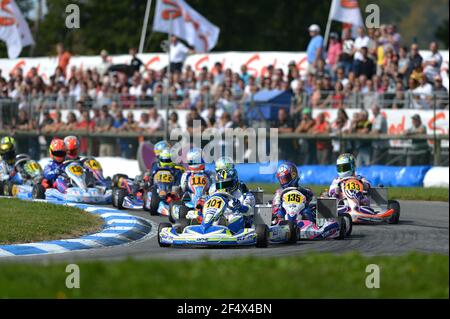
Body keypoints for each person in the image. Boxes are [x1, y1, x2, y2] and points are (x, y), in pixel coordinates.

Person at [213, 167, 255, 232]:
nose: (223, 188)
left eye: (226, 184)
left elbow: (249, 211)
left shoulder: (243, 195)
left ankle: (224, 228)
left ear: (234, 182)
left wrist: (240, 207)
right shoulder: (214, 194)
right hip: (218, 215)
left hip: (237, 219)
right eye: (220, 185)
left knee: (236, 217)